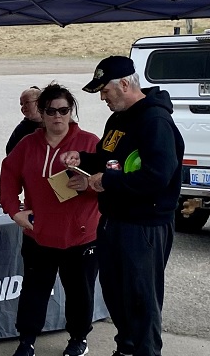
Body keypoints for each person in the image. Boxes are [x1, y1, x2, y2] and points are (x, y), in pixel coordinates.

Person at [61, 56, 183, 356]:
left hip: (145, 224)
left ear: (125, 84)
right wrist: (83, 159)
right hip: (114, 219)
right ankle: (126, 347)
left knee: (142, 298)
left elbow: (157, 176)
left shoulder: (155, 121)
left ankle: (146, 351)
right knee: (117, 295)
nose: (102, 97)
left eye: (105, 90)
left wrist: (110, 182)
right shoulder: (117, 120)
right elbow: (106, 157)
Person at [0, 83, 100, 356]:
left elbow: (109, 183)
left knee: (80, 291)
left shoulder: (90, 143)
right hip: (39, 232)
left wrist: (88, 185)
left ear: (71, 111)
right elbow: (8, 175)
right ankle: (27, 340)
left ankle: (79, 339)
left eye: (64, 110)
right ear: (40, 113)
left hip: (80, 235)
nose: (58, 116)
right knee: (34, 290)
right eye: (51, 111)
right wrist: (14, 210)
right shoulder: (28, 144)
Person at [6, 86, 43, 154]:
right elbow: (10, 152)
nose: (23, 107)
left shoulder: (52, 123)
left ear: (39, 102)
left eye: (27, 102)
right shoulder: (22, 129)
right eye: (21, 104)